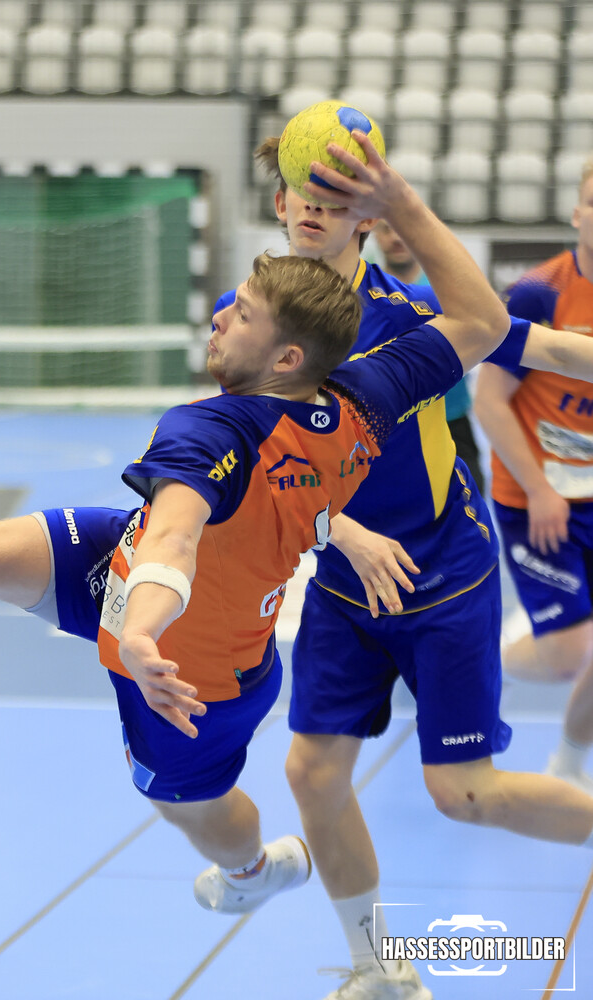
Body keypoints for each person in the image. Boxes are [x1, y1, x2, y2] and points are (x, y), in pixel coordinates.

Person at [0, 135, 537, 969]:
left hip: (196, 675)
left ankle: (256, 872)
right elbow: (481, 316)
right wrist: (400, 201)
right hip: (127, 572)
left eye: (242, 316)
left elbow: (180, 540)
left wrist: (144, 634)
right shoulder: (366, 391)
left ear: (286, 357)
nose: (220, 320)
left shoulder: (214, 429)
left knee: (204, 818)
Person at [235, 135, 593, 1000]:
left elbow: (542, 348)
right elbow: (256, 460)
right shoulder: (250, 317)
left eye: (337, 194)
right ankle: (378, 970)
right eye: (301, 190)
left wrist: (403, 200)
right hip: (345, 580)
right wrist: (343, 533)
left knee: (462, 794)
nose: (313, 206)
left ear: (366, 214)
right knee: (311, 772)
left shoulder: (413, 314)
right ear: (280, 204)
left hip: (442, 575)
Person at [474, 153, 593, 796]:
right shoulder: (539, 294)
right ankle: (474, 662)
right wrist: (542, 491)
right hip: (534, 496)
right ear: (577, 214)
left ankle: (568, 763)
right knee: (571, 654)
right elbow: (491, 401)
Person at [373, 220, 486, 493]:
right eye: (386, 229)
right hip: (389, 428)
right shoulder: (365, 291)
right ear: (373, 233)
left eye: (402, 227)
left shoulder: (448, 289)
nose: (396, 237)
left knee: (471, 502)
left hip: (451, 422)